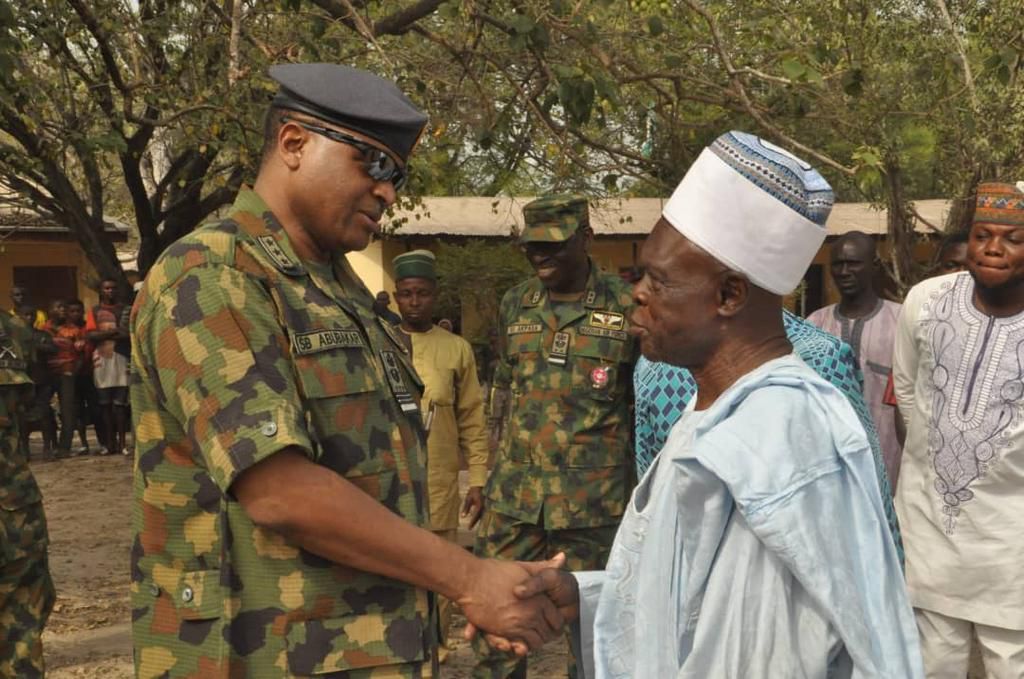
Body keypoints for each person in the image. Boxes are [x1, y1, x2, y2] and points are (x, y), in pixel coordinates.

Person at [130, 63, 565, 678]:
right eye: (374, 163)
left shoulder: (342, 293)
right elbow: (280, 492)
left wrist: (475, 583)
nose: (389, 190)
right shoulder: (212, 277)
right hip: (256, 654)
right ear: (294, 144)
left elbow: (378, 487)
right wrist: (469, 578)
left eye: (398, 174)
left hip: (362, 647)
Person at [486, 132, 923, 677]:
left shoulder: (778, 441)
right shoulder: (713, 410)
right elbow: (686, 599)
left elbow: (756, 653)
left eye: (658, 280)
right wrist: (582, 592)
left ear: (729, 296)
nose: (637, 294)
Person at [475, 194, 639, 679]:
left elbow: (645, 404)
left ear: (586, 239)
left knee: (595, 636)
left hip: (594, 505)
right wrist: (487, 476)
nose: (540, 256)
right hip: (515, 500)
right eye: (531, 247)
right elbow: (502, 394)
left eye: (553, 245)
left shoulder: (627, 305)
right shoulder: (514, 303)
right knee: (496, 630)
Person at [633, 310, 904, 562]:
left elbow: (866, 483)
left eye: (660, 282)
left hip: (791, 569)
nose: (641, 295)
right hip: (685, 563)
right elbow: (651, 482)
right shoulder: (655, 365)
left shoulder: (819, 357)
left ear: (731, 290)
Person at [893, 182, 1024, 678]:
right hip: (930, 534)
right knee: (931, 666)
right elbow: (907, 390)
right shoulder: (925, 302)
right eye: (982, 235)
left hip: (1011, 545)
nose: (992, 249)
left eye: (1012, 238)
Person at [392, 249, 490, 662]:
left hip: (439, 481)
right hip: (390, 481)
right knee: (393, 566)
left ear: (436, 296)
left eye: (423, 294)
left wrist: (480, 478)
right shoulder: (379, 340)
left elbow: (472, 416)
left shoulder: (456, 349)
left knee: (442, 568)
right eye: (407, 294)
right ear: (396, 296)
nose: (415, 302)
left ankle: (438, 648)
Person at [807, 231, 903, 489]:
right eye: (838, 264)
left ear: (873, 266)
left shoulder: (902, 323)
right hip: (827, 464)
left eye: (854, 263)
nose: (844, 271)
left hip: (886, 466)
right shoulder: (815, 325)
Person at [0, 312, 56, 677]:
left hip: (14, 514)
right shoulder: (11, 328)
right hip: (12, 508)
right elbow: (30, 410)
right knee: (18, 641)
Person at [85, 278, 130, 455]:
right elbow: (91, 336)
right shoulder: (94, 311)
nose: (110, 291)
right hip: (101, 361)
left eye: (113, 288)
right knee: (105, 404)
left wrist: (103, 334)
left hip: (121, 357)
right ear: (101, 291)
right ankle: (109, 443)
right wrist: (113, 331)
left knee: (120, 404)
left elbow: (127, 334)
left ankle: (122, 444)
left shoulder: (125, 310)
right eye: (106, 288)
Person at [15, 306, 58, 459]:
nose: (29, 318)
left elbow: (53, 348)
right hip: (22, 381)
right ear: (19, 317)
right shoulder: (14, 337)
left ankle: (47, 447)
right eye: (25, 315)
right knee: (22, 415)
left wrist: (36, 345)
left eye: (31, 315)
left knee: (44, 412)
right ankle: (25, 448)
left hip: (42, 379)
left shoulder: (42, 334)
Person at [51, 299, 88, 456]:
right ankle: (50, 445)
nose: (62, 310)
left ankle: (64, 447)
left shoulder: (73, 330)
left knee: (68, 412)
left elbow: (81, 353)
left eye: (63, 307)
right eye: (58, 306)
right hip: (48, 375)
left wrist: (74, 371)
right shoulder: (43, 328)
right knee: (45, 411)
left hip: (67, 374)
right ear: (50, 310)